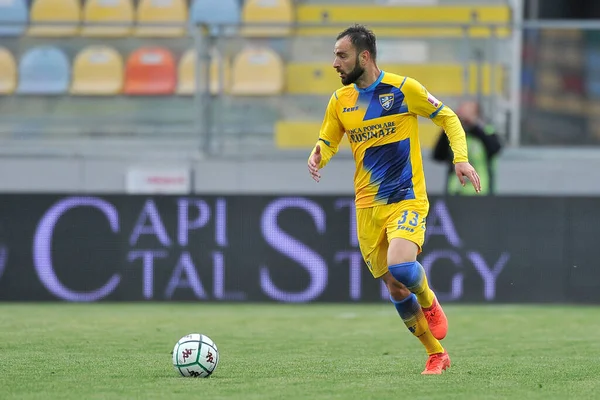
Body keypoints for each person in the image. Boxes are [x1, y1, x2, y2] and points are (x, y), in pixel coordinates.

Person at [307, 24, 481, 375]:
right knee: (396, 287)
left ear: (364, 56)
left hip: (406, 197)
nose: (335, 64)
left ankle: (430, 301)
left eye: (342, 55)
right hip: (367, 206)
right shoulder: (340, 101)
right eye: (334, 56)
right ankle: (436, 354)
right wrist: (317, 156)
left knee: (403, 266)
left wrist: (459, 157)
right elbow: (328, 140)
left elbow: (447, 116)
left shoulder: (404, 89)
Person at [432, 100, 502, 195]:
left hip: (482, 191)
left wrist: (474, 125)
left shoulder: (486, 130)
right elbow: (438, 155)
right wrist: (450, 124)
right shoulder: (453, 134)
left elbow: (495, 149)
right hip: (455, 190)